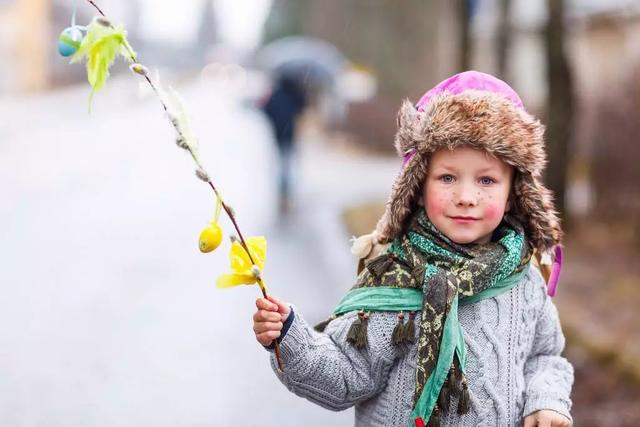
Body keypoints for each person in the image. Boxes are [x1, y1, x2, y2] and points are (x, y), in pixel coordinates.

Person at [252, 71, 573, 426]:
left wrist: (547, 400)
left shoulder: (523, 279)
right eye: (447, 177)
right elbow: (346, 374)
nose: (466, 197)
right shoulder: (394, 279)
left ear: (514, 195)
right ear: (418, 186)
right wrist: (290, 338)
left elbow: (544, 354)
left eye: (486, 180)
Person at [260, 73, 308, 214]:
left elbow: (266, 109)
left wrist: (274, 122)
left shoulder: (276, 93)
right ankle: (287, 193)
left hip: (278, 135)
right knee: (287, 164)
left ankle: (283, 193)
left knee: (282, 165)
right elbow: (302, 108)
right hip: (290, 135)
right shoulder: (296, 93)